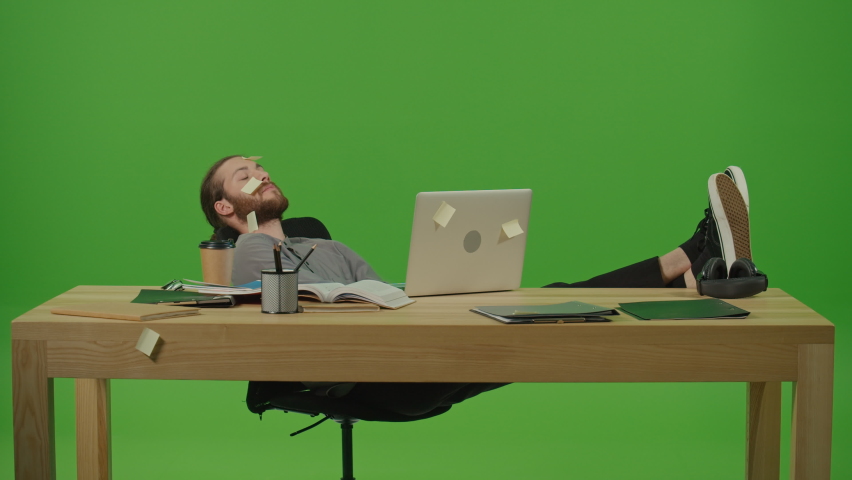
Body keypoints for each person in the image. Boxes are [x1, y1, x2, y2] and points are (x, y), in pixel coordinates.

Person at [200, 155, 753, 416]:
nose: (263, 173)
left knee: (548, 299)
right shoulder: (246, 249)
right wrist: (250, 235)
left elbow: (380, 292)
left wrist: (440, 289)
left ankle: (687, 258)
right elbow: (274, 301)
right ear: (226, 207)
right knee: (550, 317)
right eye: (245, 175)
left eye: (261, 166)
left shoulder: (331, 247)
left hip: (411, 343)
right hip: (364, 376)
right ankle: (691, 258)